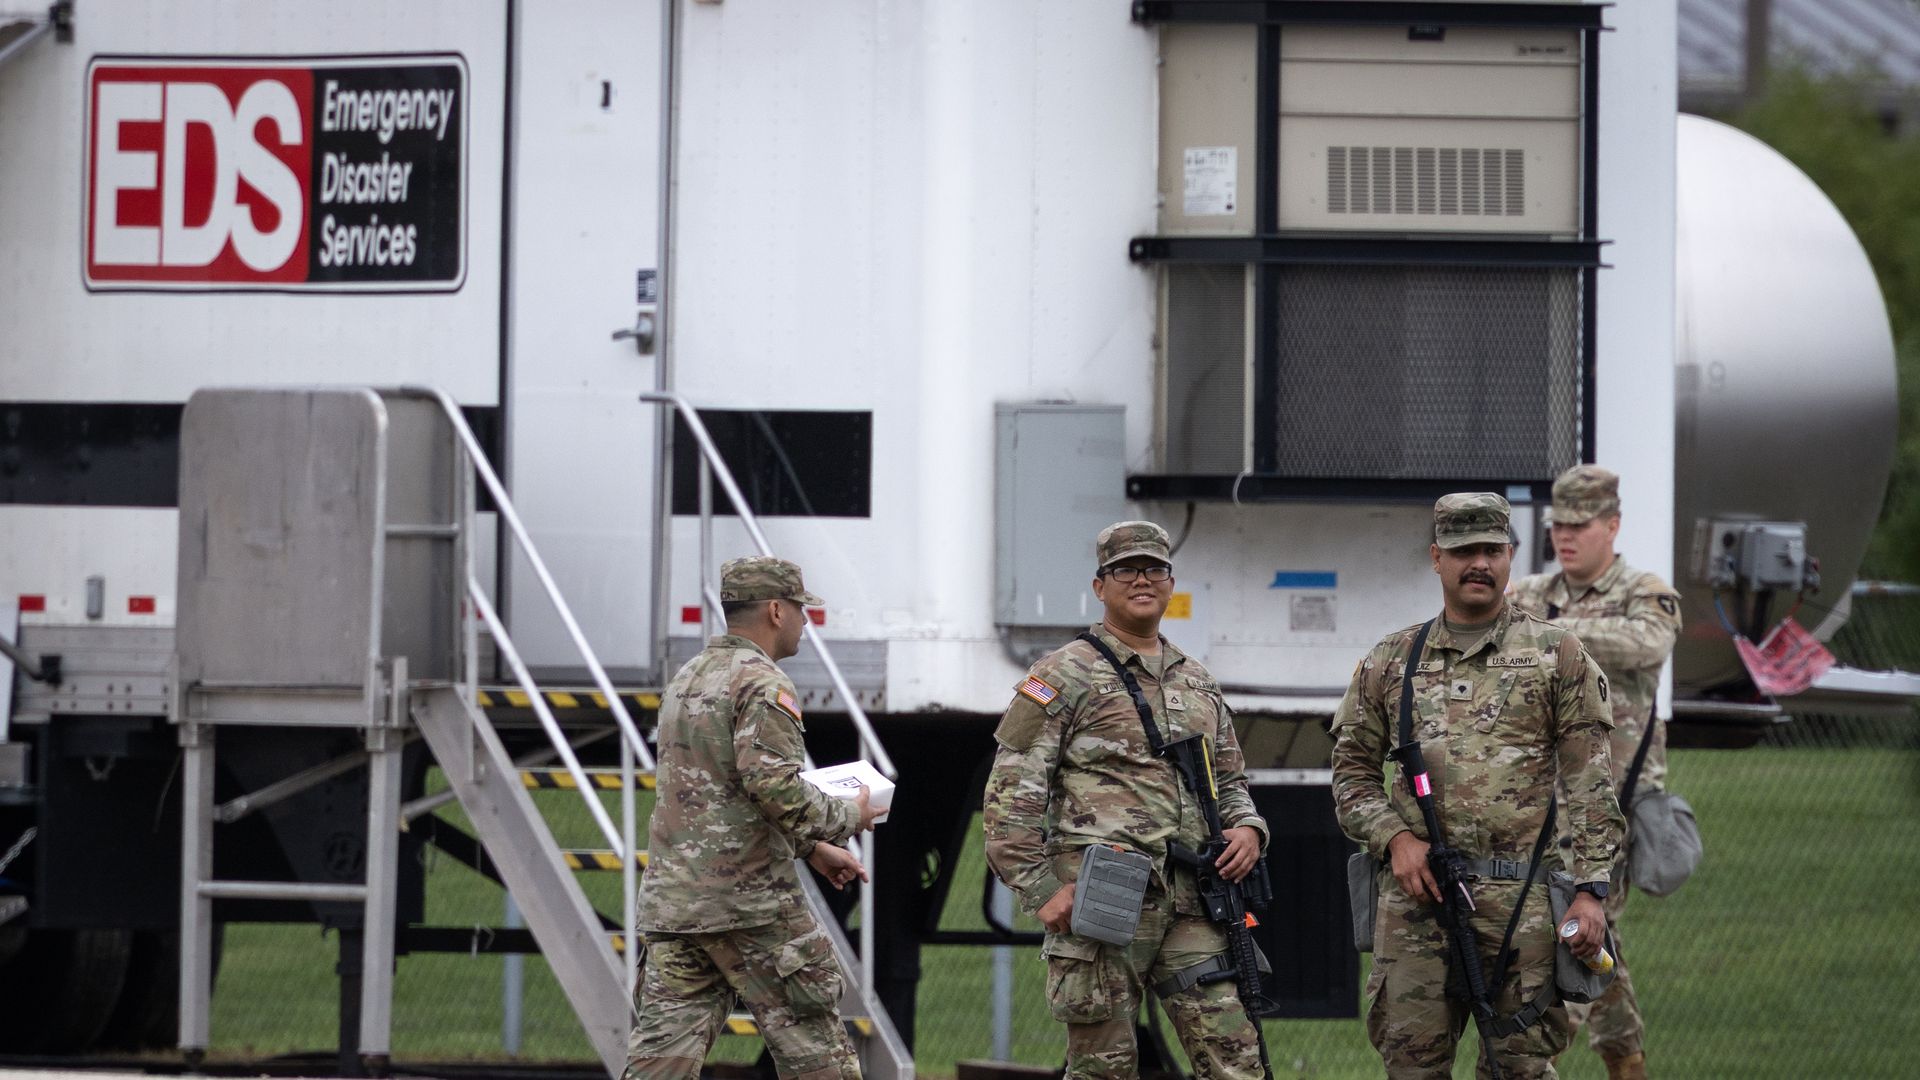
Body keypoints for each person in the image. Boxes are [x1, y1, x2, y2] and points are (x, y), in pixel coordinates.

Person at [1330, 493, 1625, 1079]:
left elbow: (1590, 782)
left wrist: (1591, 890)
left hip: (1522, 906)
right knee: (1412, 1068)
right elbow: (1351, 776)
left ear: (1512, 555)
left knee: (1521, 1069)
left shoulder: (1556, 656)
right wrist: (1394, 839)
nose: (1480, 564)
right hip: (1418, 904)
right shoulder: (1391, 661)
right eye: (1464, 551)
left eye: (1492, 550)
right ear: (1436, 558)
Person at [982, 520, 1271, 1080]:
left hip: (1193, 900)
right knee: (1103, 1069)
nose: (1142, 580)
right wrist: (1041, 890)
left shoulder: (1197, 681)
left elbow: (1230, 782)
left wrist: (1249, 830)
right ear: (1100, 586)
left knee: (1235, 1057)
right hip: (1105, 900)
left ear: (1170, 582)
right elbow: (1010, 794)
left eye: (1154, 569)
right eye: (1125, 570)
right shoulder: (1063, 674)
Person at [627, 556, 880, 1080]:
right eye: (799, 609)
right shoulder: (764, 683)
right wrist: (847, 816)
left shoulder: (688, 677)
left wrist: (811, 849)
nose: (805, 621)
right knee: (819, 1057)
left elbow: (715, 791)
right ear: (774, 610)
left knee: (660, 1065)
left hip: (676, 906)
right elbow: (774, 787)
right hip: (753, 908)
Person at [1508, 466, 1681, 1080]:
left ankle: (1532, 1057)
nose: (1565, 536)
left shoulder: (1644, 592)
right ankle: (1626, 1061)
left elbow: (1646, 645)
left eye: (1579, 525)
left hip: (1615, 804)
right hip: (1540, 800)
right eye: (1558, 524)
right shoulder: (1531, 591)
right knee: (1595, 931)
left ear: (1612, 525)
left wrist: (1550, 634)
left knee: (1573, 930)